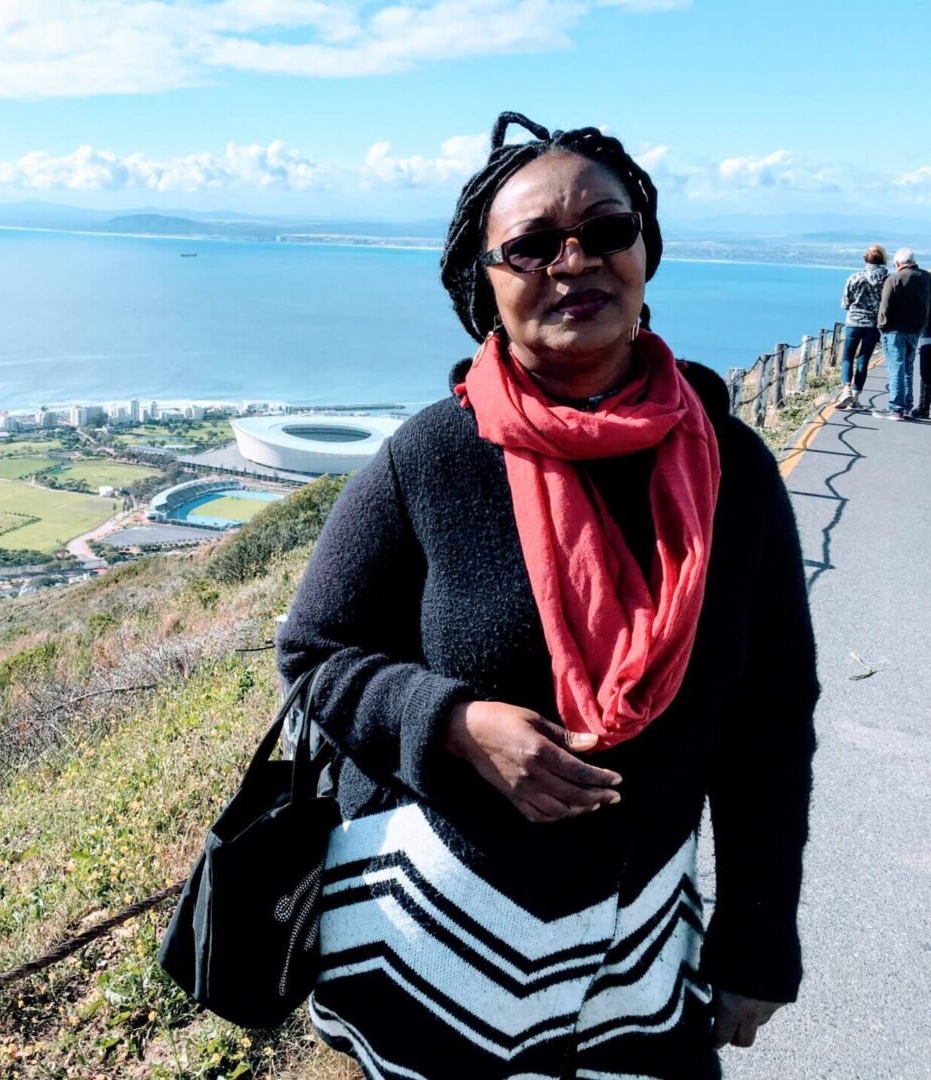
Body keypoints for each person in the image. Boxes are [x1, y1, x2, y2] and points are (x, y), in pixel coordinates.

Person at [276, 112, 818, 1080]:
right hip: (429, 954)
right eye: (531, 246)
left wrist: (759, 939)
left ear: (645, 253)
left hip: (640, 961)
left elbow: (772, 724)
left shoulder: (733, 474)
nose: (576, 262)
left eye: (606, 230)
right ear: (484, 284)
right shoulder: (430, 461)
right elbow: (314, 654)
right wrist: (451, 724)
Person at [876, 247, 931, 421]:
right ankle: (907, 406)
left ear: (898, 263)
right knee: (908, 368)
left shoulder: (894, 278)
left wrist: (882, 326)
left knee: (896, 368)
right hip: (916, 330)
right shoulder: (926, 278)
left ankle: (895, 408)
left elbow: (885, 307)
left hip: (894, 330)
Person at [835, 245, 888, 409]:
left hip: (854, 322)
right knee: (863, 360)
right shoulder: (887, 279)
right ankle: (856, 397)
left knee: (847, 357)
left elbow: (845, 303)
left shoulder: (855, 277)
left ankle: (846, 389)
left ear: (866, 259)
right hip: (873, 325)